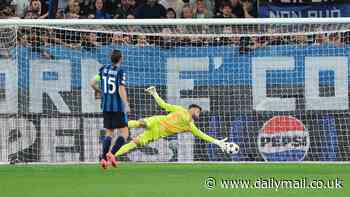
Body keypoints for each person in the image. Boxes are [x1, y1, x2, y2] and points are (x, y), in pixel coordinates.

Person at [113, 86, 238, 162]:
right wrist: (155, 94)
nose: (198, 115)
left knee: (134, 143)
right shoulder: (180, 109)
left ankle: (112, 155)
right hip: (157, 120)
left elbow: (202, 135)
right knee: (141, 123)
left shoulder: (190, 126)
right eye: (198, 112)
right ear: (193, 109)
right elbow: (164, 105)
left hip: (157, 133)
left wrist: (217, 142)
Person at [90, 49, 130, 169]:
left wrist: (101, 92)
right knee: (125, 132)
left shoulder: (103, 69)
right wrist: (126, 103)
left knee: (109, 133)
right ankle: (112, 154)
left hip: (106, 106)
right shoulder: (120, 72)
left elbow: (92, 83)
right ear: (121, 59)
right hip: (117, 107)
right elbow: (120, 88)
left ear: (110, 58)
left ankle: (103, 159)